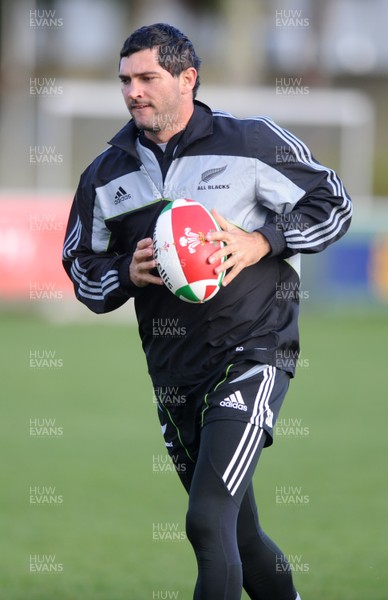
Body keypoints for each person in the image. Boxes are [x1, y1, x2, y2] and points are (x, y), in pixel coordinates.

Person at [62, 22, 352, 600]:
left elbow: (333, 203)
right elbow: (80, 269)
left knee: (204, 519)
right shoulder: (105, 175)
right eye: (125, 80)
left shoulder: (251, 142)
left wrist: (261, 242)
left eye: (148, 77)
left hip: (253, 354)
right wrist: (127, 273)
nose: (133, 91)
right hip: (174, 376)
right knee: (239, 536)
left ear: (187, 79)